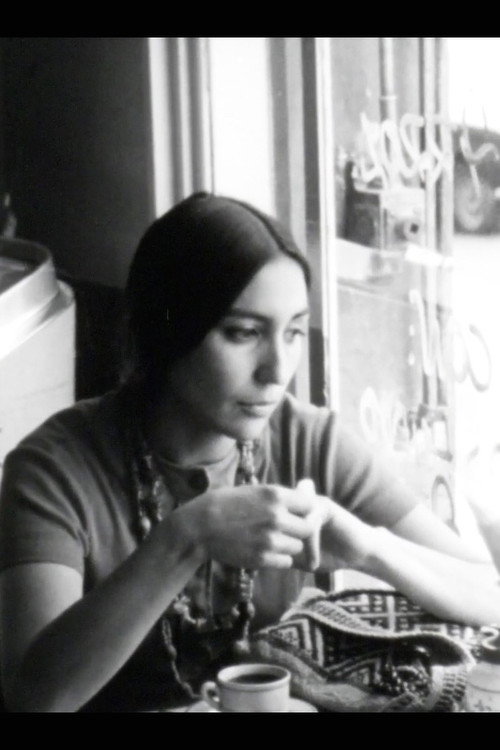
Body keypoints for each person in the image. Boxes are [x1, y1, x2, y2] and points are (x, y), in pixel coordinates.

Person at [0, 192, 499, 713]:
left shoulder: (308, 440)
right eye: (244, 333)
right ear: (168, 328)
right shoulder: (54, 469)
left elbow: (492, 593)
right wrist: (186, 538)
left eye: (294, 331)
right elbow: (35, 699)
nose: (277, 370)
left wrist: (366, 548)